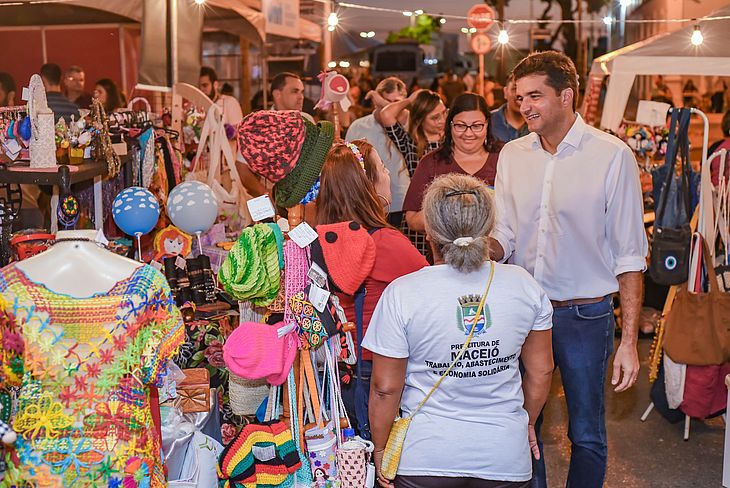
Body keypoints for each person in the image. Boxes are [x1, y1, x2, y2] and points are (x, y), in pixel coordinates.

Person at [489, 51, 647, 488]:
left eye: (535, 96)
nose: (525, 107)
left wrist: (629, 342)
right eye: (520, 97)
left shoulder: (612, 156)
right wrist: (477, 247)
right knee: (522, 423)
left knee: (587, 433)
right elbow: (505, 234)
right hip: (522, 313)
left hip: (586, 316)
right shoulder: (512, 155)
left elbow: (630, 256)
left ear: (566, 96)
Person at [364, 173, 554, 488]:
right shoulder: (523, 284)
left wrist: (382, 447)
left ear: (429, 231)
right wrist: (527, 424)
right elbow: (542, 371)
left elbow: (385, 387)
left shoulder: (403, 292)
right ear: (488, 227)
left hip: (424, 457)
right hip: (504, 455)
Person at [316, 141, 428, 439]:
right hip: (380, 371)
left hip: (337, 370)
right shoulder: (385, 243)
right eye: (381, 168)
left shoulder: (317, 242)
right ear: (367, 186)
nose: (388, 173)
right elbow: (434, 295)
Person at [403, 93, 502, 233]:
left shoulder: (504, 156)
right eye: (460, 126)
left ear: (487, 125)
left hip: (496, 251)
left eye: (477, 126)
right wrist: (452, 214)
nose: (468, 133)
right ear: (450, 125)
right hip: (445, 254)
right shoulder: (432, 162)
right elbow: (412, 220)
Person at [347, 77, 412, 227]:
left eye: (397, 102)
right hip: (369, 203)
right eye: (387, 101)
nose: (392, 107)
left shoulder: (408, 123)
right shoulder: (358, 126)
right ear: (375, 102)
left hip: (401, 202)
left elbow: (392, 114)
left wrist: (381, 101)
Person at [373, 89, 446, 177]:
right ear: (419, 120)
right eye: (435, 118)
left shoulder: (452, 137)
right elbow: (386, 114)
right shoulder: (410, 143)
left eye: (444, 112)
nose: (442, 120)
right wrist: (409, 100)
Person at [490, 73, 528, 143]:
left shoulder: (539, 124)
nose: (520, 95)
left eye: (525, 90)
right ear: (505, 92)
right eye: (515, 89)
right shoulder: (489, 121)